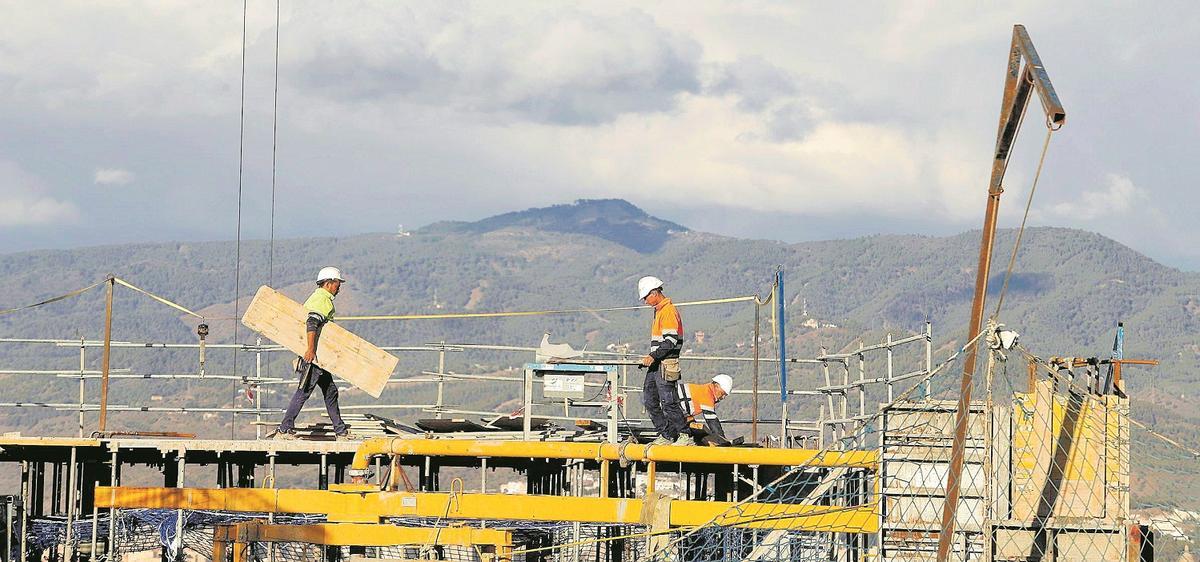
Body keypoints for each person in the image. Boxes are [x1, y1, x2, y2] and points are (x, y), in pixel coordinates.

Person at [274, 267, 354, 441]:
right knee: (303, 391)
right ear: (329, 283)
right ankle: (284, 429)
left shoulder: (321, 298)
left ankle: (340, 431)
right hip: (315, 356)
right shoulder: (322, 299)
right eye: (338, 283)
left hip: (320, 357)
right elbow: (312, 322)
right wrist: (310, 350)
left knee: (331, 391)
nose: (339, 287)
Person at [637, 276, 691, 446]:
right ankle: (666, 434)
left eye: (646, 297)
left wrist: (653, 356)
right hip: (657, 364)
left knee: (668, 402)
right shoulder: (659, 311)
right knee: (650, 401)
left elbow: (670, 341)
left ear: (654, 293)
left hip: (665, 363)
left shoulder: (668, 311)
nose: (645, 301)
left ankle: (685, 435)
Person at [678, 374, 733, 445]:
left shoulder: (704, 389)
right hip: (670, 409)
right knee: (696, 434)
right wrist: (722, 441)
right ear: (716, 386)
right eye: (722, 393)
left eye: (725, 395)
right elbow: (712, 422)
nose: (723, 397)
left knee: (697, 432)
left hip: (676, 410)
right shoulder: (707, 394)